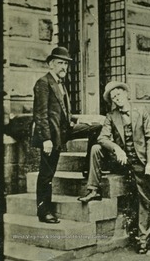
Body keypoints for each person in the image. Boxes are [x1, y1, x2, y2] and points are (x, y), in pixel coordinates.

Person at [78, 81, 150, 254]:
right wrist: (117, 148)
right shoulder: (111, 116)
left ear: (126, 94)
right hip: (120, 161)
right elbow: (102, 138)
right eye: (113, 97)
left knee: (144, 198)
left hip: (140, 160)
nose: (117, 99)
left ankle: (143, 239)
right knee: (96, 148)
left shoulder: (141, 111)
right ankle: (92, 188)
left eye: (119, 95)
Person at [32, 47, 102, 224]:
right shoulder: (43, 83)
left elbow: (63, 111)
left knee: (95, 127)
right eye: (60, 63)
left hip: (64, 130)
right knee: (47, 174)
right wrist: (46, 139)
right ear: (51, 64)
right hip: (51, 135)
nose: (64, 67)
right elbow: (40, 114)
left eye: (66, 64)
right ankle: (44, 211)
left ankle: (88, 168)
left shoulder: (61, 83)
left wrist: (78, 121)